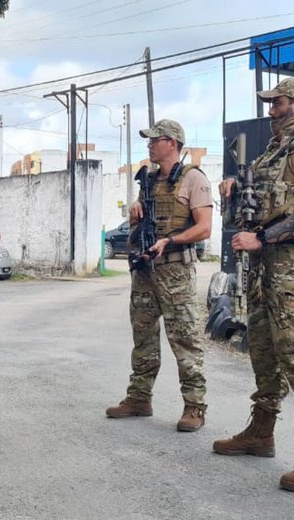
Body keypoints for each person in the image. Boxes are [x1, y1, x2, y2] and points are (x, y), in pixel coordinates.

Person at [214, 77, 294, 492]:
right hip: (265, 271)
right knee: (264, 350)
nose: (270, 109)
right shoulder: (276, 149)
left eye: (277, 103)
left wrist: (263, 238)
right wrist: (235, 187)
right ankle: (261, 431)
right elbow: (270, 198)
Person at [105, 119, 212, 432]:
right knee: (143, 336)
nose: (149, 145)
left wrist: (171, 240)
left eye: (155, 140)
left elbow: (204, 227)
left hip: (176, 269)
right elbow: (143, 219)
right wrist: (136, 210)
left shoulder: (194, 178)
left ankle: (194, 406)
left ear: (173, 143)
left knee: (185, 339)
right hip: (145, 270)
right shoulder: (148, 180)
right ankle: (139, 397)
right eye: (149, 140)